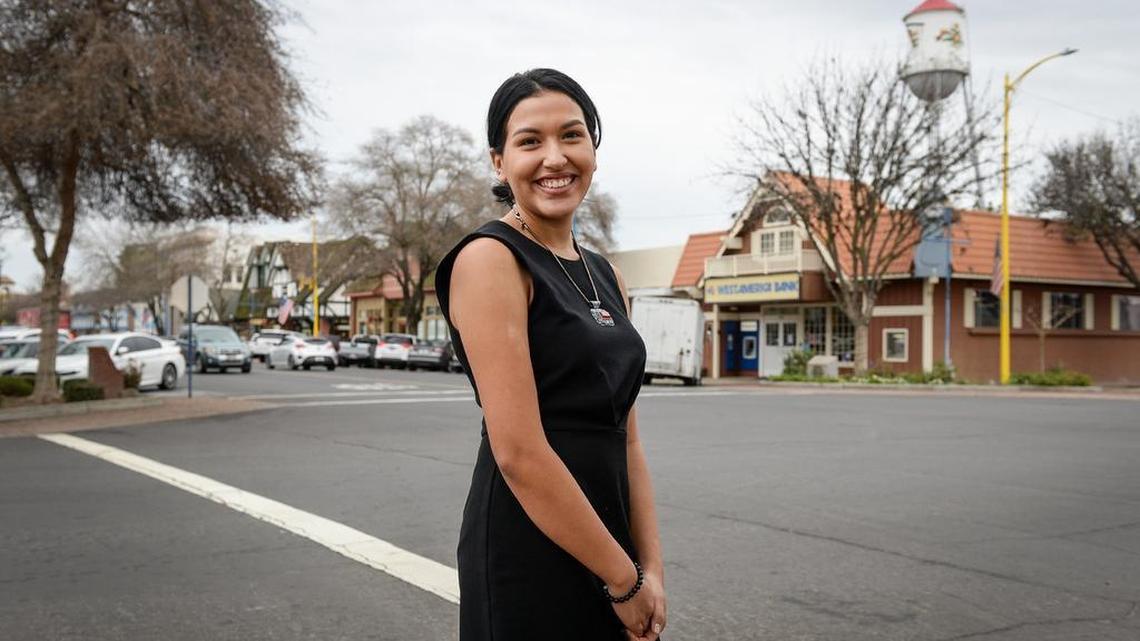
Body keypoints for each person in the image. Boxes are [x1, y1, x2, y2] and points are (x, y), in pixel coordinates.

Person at [434, 68, 668, 641]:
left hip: (610, 542)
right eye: (529, 141)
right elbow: (518, 450)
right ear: (498, 162)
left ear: (593, 148)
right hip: (528, 548)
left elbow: (627, 438)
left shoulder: (606, 272)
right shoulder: (491, 259)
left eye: (572, 135)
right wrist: (624, 581)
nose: (555, 158)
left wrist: (650, 568)